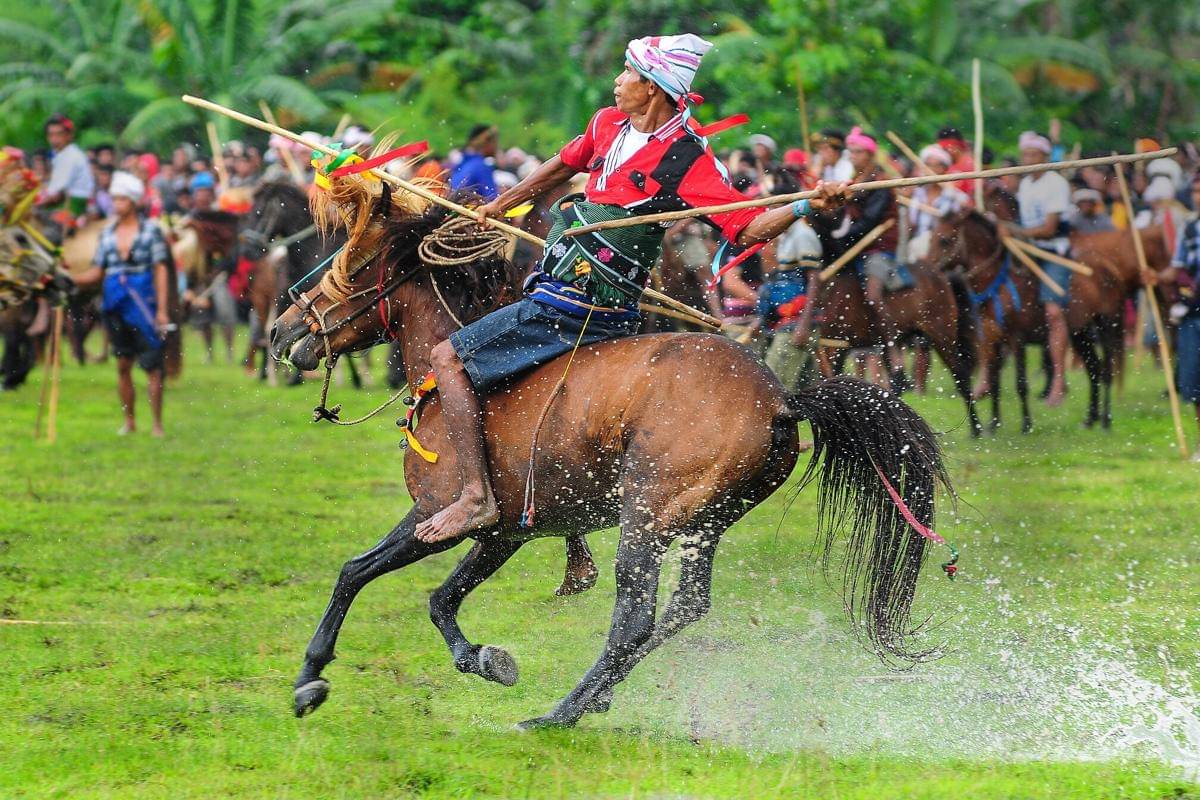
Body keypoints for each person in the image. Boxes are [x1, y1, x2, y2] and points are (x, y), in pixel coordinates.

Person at [415, 33, 848, 544]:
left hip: (584, 306)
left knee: (447, 358)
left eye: (627, 74)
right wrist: (500, 205)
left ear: (653, 88)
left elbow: (746, 228)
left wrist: (807, 206)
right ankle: (569, 540)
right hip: (553, 286)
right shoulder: (606, 123)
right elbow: (563, 163)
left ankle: (475, 497)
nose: (618, 82)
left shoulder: (688, 159)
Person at [73, 171, 170, 436]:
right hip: (114, 305)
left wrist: (161, 310)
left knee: (152, 367)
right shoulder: (106, 235)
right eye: (114, 200)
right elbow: (97, 273)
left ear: (134, 201)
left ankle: (157, 424)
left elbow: (160, 270)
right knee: (123, 364)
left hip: (144, 305)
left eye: (121, 199)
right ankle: (129, 421)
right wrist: (69, 277)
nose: (116, 204)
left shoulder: (151, 231)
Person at [1002, 131, 1072, 407]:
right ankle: (987, 373)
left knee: (1054, 312)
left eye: (1034, 155)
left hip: (1054, 251)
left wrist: (1016, 232)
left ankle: (1058, 378)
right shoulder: (1026, 185)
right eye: (1025, 155)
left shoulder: (1056, 183)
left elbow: (1049, 228)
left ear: (1044, 157)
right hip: (1026, 249)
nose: (1029, 160)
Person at [1157, 171, 1200, 461]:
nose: (1199, 196)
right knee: (1196, 381)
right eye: (1196, 191)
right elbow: (1175, 268)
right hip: (1195, 311)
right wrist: (1154, 277)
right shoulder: (1189, 227)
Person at [38, 113, 94, 223]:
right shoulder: (63, 154)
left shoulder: (69, 156)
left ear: (69, 135)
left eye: (59, 134)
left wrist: (33, 204)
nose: (54, 139)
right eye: (51, 135)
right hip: (67, 202)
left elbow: (54, 195)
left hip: (74, 208)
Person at [450, 124, 499, 199]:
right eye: (495, 142)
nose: (497, 147)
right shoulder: (481, 167)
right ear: (486, 143)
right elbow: (493, 200)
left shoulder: (462, 164)